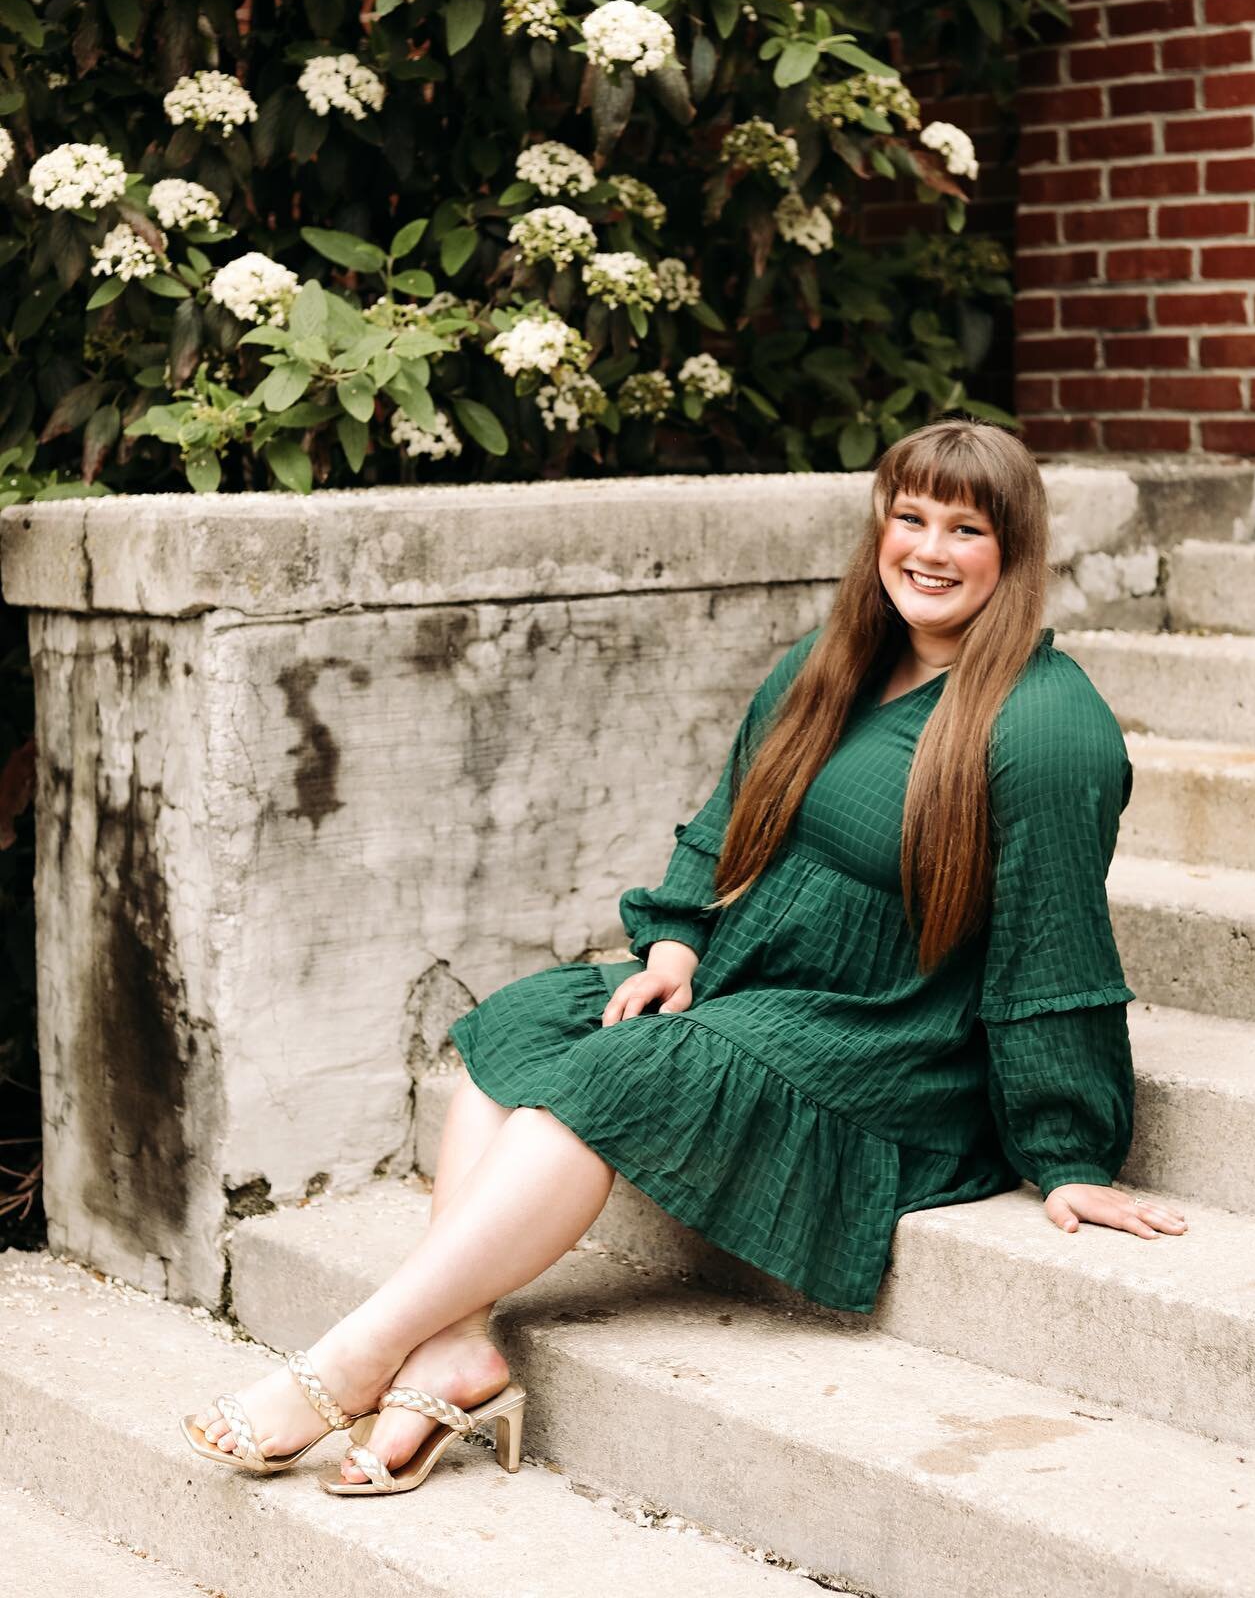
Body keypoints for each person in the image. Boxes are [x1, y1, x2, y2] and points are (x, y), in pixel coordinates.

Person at [182, 417, 1186, 1494]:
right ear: (879, 527)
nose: (930, 550)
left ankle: (350, 1358)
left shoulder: (1046, 725)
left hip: (889, 1038)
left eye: (966, 529)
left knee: (615, 1074)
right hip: (759, 973)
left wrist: (1070, 1150)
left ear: (1017, 552)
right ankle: (458, 1343)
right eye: (910, 518)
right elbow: (723, 824)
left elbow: (1054, 947)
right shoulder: (839, 659)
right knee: (519, 1027)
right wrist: (675, 939)